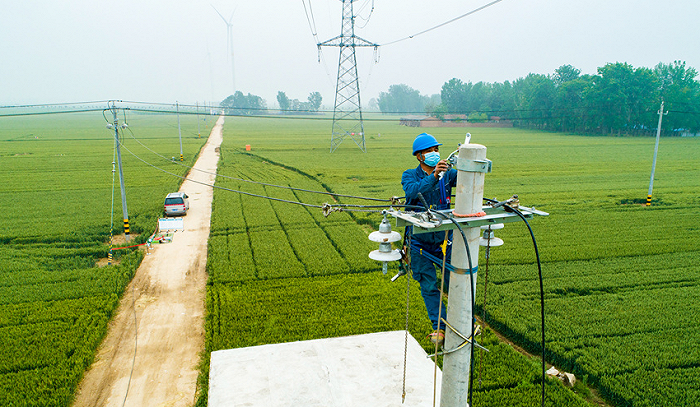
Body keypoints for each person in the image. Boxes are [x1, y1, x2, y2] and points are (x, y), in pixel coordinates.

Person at [401, 133, 458, 346]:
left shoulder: (448, 175)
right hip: (419, 243)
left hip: (445, 240)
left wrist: (465, 165)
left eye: (436, 150)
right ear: (419, 157)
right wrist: (434, 176)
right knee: (429, 286)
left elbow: (466, 180)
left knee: (456, 282)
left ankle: (462, 322)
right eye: (430, 151)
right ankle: (440, 328)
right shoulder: (410, 175)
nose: (434, 153)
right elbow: (412, 192)